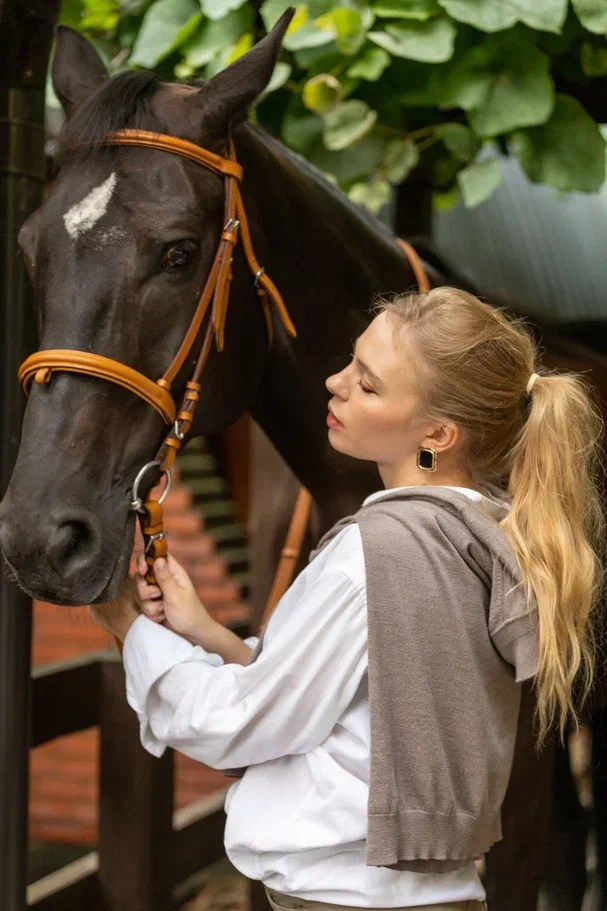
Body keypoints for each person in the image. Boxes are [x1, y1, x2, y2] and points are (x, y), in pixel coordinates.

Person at [98, 286, 604, 911]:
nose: (335, 383)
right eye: (350, 364)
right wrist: (204, 630)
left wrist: (133, 631)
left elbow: (242, 724)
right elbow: (352, 702)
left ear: (437, 434)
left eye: (369, 385)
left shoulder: (374, 554)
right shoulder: (476, 541)